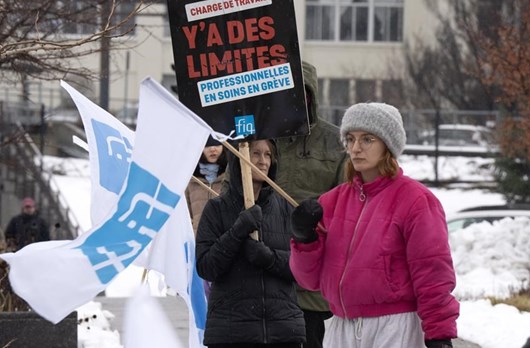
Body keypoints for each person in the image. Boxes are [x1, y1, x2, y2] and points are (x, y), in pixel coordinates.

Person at [289, 102, 460, 348]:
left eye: (367, 139)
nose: (356, 148)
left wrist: (439, 334)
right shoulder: (332, 201)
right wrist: (304, 239)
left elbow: (432, 273)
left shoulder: (416, 200)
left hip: (394, 325)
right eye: (350, 139)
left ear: (387, 145)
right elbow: (309, 281)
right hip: (341, 326)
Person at [196, 139, 306, 348]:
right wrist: (237, 231)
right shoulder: (216, 208)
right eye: (255, 153)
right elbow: (206, 267)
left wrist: (269, 258)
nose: (263, 161)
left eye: (268, 155)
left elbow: (303, 269)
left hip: (282, 332)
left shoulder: (285, 208)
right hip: (232, 332)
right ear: (239, 158)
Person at [274, 61, 347, 348]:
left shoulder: (336, 142)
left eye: (300, 92)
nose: (294, 99)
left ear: (311, 94)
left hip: (309, 289)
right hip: (262, 281)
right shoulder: (258, 138)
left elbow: (347, 206)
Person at [185, 141, 228, 234]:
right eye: (207, 144)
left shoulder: (230, 178)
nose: (212, 149)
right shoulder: (191, 180)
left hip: (225, 240)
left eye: (216, 143)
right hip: (199, 241)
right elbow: (186, 217)